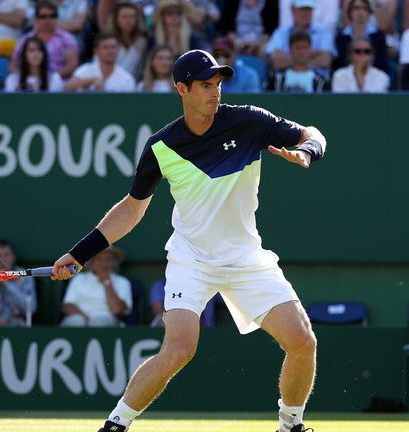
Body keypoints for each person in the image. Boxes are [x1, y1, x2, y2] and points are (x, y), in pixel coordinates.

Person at [51, 48, 326, 432]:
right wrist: (80, 255)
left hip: (247, 258)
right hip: (191, 260)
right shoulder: (161, 147)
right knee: (179, 348)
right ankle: (116, 424)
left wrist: (307, 152)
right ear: (182, 89)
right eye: (205, 85)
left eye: (218, 84)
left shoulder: (250, 122)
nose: (215, 92)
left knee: (303, 341)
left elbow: (312, 133)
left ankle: (290, 425)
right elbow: (131, 209)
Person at [60, 247, 132, 327]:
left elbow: (117, 310)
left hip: (107, 321)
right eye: (100, 260)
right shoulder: (79, 279)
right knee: (77, 321)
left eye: (108, 259)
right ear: (92, 262)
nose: (104, 264)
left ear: (114, 262)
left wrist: (106, 281)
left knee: (99, 322)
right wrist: (87, 320)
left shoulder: (123, 282)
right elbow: (68, 305)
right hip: (80, 319)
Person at [10, 1, 79, 80]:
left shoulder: (66, 38)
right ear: (36, 19)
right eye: (43, 16)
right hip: (30, 83)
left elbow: (72, 64)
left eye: (52, 16)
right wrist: (22, 78)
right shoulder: (26, 39)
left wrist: (52, 78)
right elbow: (13, 64)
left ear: (57, 18)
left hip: (58, 82)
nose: (48, 19)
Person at [266, 0, 336, 77]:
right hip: (284, 82)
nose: (305, 13)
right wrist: (311, 56)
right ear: (293, 10)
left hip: (317, 82)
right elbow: (275, 60)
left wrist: (292, 58)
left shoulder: (323, 33)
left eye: (308, 10)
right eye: (301, 9)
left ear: (312, 11)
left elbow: (325, 60)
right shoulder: (281, 32)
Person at [64, 32, 136, 92]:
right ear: (96, 51)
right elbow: (66, 88)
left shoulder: (127, 79)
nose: (110, 51)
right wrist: (91, 81)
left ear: (118, 50)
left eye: (113, 47)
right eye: (105, 47)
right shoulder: (85, 70)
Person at [335, 0, 391, 74]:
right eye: (357, 8)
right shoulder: (342, 37)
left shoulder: (379, 35)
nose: (361, 12)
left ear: (368, 13)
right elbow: (340, 62)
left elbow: (382, 62)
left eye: (364, 9)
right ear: (350, 12)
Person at [148, 277, 221, 327]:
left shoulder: (207, 285)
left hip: (208, 332)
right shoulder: (160, 286)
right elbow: (159, 315)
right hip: (177, 332)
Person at [108, 1, 148, 78]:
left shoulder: (143, 42)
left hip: (133, 84)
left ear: (137, 19)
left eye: (132, 16)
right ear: (116, 19)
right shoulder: (107, 41)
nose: (128, 20)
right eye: (124, 16)